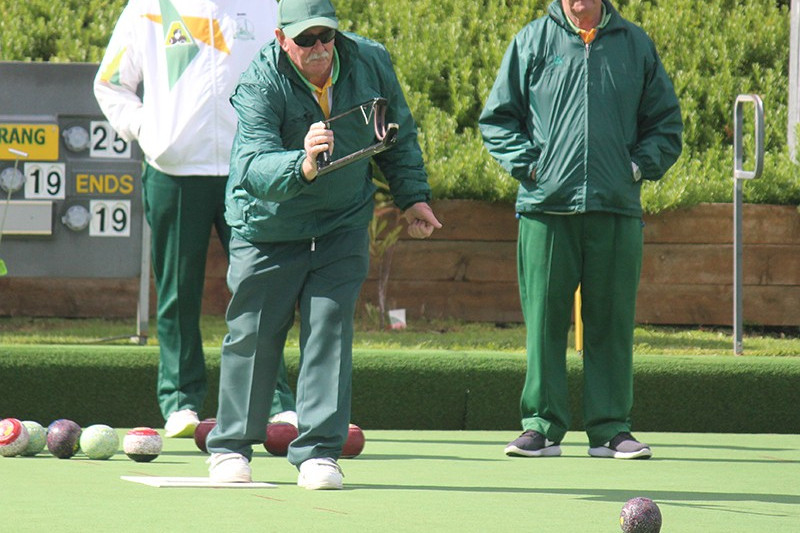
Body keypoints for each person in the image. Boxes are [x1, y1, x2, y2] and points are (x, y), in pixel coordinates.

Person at [204, 0, 442, 488]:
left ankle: (318, 453)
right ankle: (230, 448)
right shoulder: (260, 83)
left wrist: (412, 197)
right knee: (254, 334)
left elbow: (397, 132)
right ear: (281, 38)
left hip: (342, 220)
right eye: (306, 39)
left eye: (326, 37)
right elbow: (250, 165)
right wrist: (303, 165)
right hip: (267, 226)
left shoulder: (370, 61)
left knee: (330, 329)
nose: (319, 48)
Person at [479, 0, 682, 460]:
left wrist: (635, 168)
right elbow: (497, 120)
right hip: (545, 210)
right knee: (544, 323)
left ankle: (611, 429)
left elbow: (666, 126)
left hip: (615, 210)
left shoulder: (636, 45)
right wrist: (532, 167)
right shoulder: (531, 41)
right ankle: (541, 427)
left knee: (611, 323)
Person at [94, 0, 298, 438]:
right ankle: (181, 403)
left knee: (260, 288)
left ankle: (277, 401)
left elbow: (291, 76)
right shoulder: (148, 7)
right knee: (177, 293)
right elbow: (110, 84)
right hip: (175, 169)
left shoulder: (265, 6)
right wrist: (150, 130)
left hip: (250, 168)